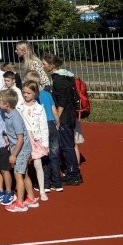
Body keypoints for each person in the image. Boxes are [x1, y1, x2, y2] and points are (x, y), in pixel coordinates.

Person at [42, 54, 83, 186]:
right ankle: (72, 172)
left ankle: (74, 174)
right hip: (68, 115)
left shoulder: (59, 80)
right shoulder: (64, 77)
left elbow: (62, 102)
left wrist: (57, 118)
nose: (43, 66)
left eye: (44, 64)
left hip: (65, 117)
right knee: (67, 145)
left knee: (67, 146)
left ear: (51, 66)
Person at [0, 88, 37, 213]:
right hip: (20, 148)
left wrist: (14, 155)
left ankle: (20, 203)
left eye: (0, 102)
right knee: (24, 173)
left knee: (18, 175)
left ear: (7, 104)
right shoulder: (8, 114)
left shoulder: (14, 117)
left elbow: (20, 139)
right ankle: (31, 198)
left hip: (21, 150)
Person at [18, 80, 50, 201]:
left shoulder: (39, 109)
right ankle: (25, 190)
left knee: (37, 164)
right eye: (24, 92)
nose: (25, 95)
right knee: (23, 165)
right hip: (23, 139)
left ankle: (42, 190)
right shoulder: (19, 106)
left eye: (28, 93)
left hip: (35, 139)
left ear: (35, 94)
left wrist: (45, 143)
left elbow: (44, 126)